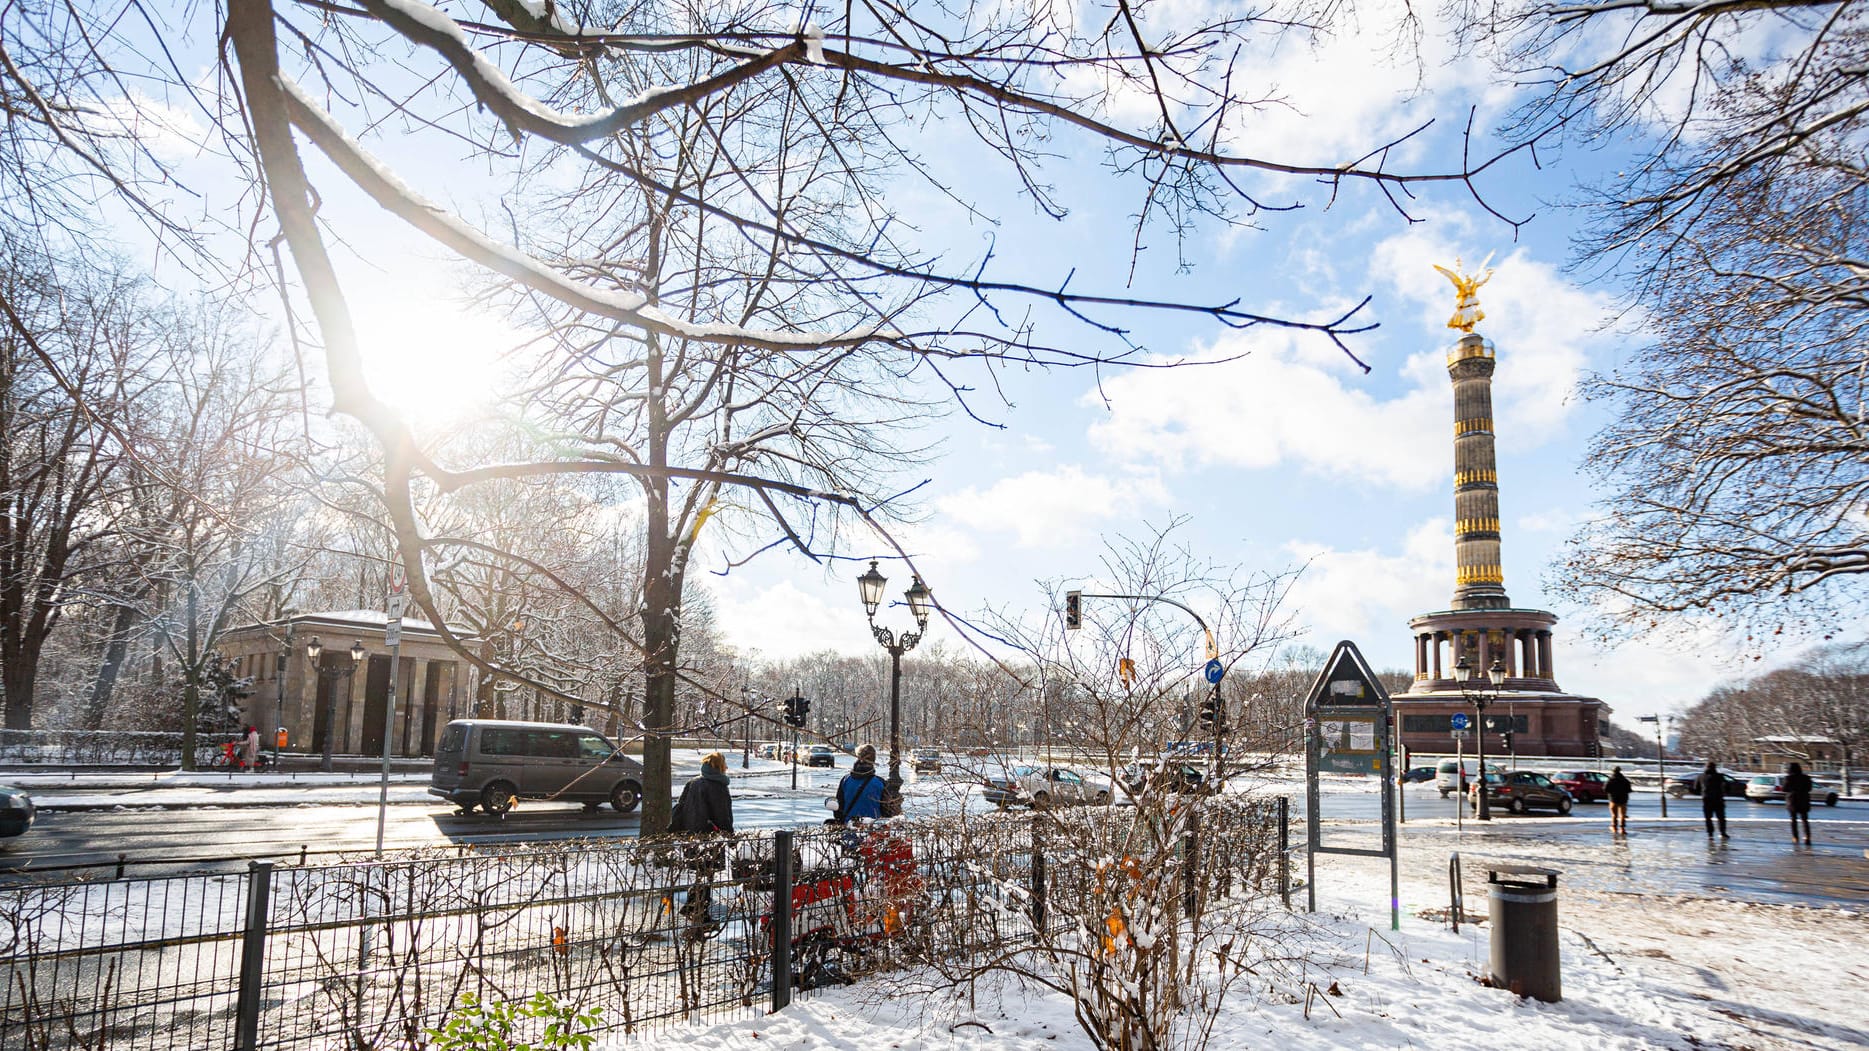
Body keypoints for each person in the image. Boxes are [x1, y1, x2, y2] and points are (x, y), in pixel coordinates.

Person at [671, 752, 734, 926]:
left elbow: (681, 807)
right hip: (710, 837)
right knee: (707, 875)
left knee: (701, 874)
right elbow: (723, 816)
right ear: (720, 766)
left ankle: (694, 909)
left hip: (692, 837)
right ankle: (699, 913)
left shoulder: (693, 783)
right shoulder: (718, 787)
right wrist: (731, 836)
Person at [833, 745, 887, 824]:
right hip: (873, 830)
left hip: (849, 826)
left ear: (858, 757)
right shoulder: (880, 783)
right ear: (873, 760)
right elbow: (888, 811)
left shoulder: (846, 780)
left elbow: (838, 809)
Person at [1785, 761, 1814, 844]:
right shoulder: (1806, 777)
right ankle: (1807, 837)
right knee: (1805, 820)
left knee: (1793, 820)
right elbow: (1809, 788)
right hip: (1804, 799)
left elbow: (1785, 789)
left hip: (1793, 800)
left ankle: (1795, 837)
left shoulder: (1789, 778)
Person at [1699, 760, 1729, 838]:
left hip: (1707, 800)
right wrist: (1724, 792)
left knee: (1708, 818)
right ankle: (1722, 832)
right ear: (1715, 768)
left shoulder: (1701, 776)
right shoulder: (1720, 776)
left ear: (1706, 767)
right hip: (1718, 799)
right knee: (1721, 817)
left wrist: (1702, 793)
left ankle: (1710, 834)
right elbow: (1727, 787)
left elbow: (1695, 788)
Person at [1606, 766, 1632, 835]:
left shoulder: (1611, 780)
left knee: (1614, 815)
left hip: (1613, 799)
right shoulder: (1624, 780)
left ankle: (1614, 828)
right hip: (1623, 799)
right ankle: (1622, 829)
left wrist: (1612, 792)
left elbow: (1605, 789)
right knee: (1622, 815)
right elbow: (1629, 790)